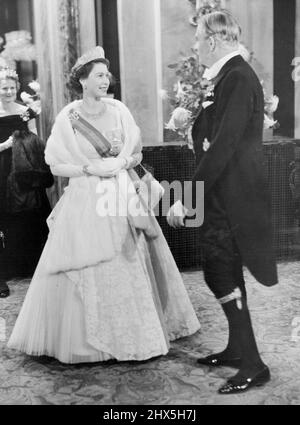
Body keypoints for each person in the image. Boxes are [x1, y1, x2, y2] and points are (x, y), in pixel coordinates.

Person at [7, 46, 200, 364]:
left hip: (120, 194)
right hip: (85, 197)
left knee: (127, 261)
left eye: (107, 75)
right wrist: (86, 169)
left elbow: (137, 155)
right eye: (98, 75)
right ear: (82, 80)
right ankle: (87, 341)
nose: (105, 80)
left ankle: (135, 335)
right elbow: (55, 165)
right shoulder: (68, 117)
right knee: (85, 265)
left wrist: (124, 159)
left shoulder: (119, 110)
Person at [167, 11, 278, 394]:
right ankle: (237, 349)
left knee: (221, 272)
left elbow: (225, 146)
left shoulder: (237, 77)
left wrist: (187, 198)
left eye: (199, 38)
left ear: (212, 40)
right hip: (223, 196)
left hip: (230, 199)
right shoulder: (231, 76)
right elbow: (214, 136)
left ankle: (253, 364)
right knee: (222, 270)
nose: (197, 45)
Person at [0, 68, 53, 298]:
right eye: (4, 88)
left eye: (12, 87)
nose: (9, 91)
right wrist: (7, 145)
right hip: (2, 167)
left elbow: (35, 138)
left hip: (24, 168)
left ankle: (34, 265)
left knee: (32, 212)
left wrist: (27, 147)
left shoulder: (25, 112)